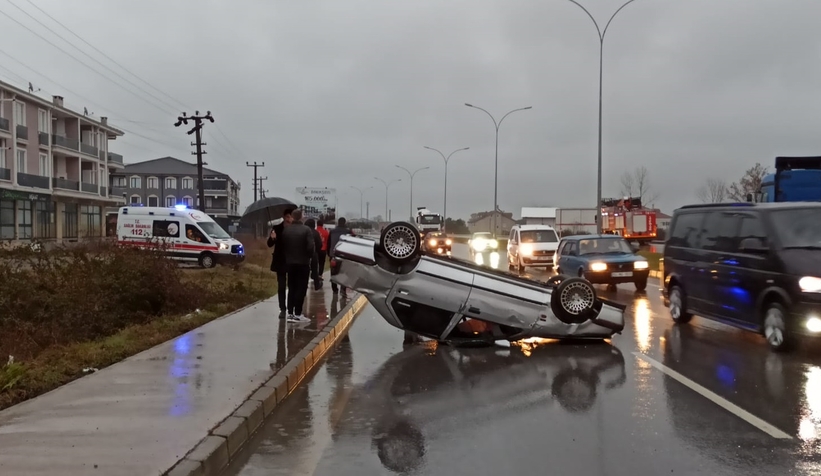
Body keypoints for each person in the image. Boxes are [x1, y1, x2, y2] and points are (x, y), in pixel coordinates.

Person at [280, 208, 315, 322]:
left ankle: (290, 313)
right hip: (303, 263)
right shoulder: (306, 230)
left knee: (291, 287)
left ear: (293, 217)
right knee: (301, 288)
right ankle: (298, 313)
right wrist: (309, 256)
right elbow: (310, 247)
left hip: (290, 263)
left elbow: (283, 246)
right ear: (301, 217)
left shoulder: (286, 230)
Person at [267, 209, 294, 318]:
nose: (288, 219)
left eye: (290, 217)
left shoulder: (295, 229)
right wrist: (273, 238)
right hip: (280, 261)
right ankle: (282, 308)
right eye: (287, 217)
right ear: (283, 217)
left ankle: (291, 308)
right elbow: (269, 244)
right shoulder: (277, 228)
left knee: (292, 286)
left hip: (292, 261)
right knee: (281, 286)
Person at [327, 217, 355, 298]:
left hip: (333, 254)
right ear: (345, 223)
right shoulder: (348, 231)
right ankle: (343, 289)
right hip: (344, 255)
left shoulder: (332, 231)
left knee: (333, 272)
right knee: (344, 273)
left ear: (338, 223)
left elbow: (328, 243)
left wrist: (329, 254)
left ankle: (334, 289)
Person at [304, 218, 324, 290]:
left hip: (305, 254)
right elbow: (320, 244)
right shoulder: (316, 233)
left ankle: (305, 284)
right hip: (314, 254)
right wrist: (316, 251)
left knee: (305, 270)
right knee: (315, 270)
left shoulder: (304, 232)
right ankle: (317, 284)